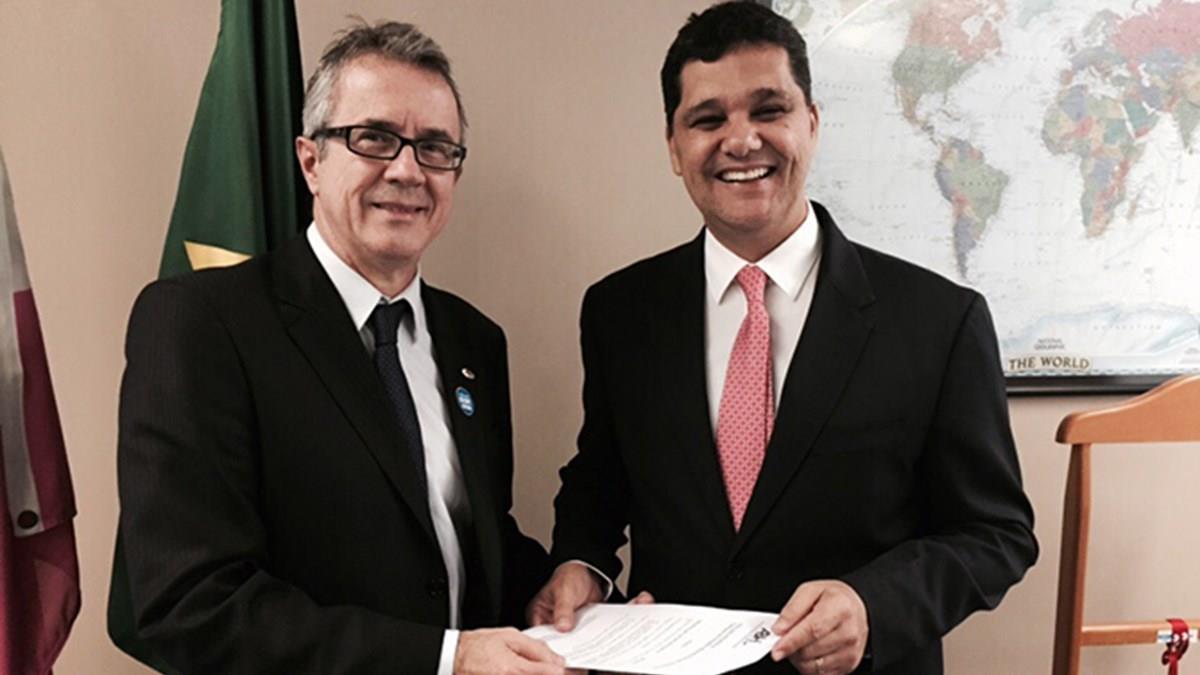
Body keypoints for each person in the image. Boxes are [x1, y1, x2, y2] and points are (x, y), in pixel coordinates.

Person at [529, 3, 1038, 674]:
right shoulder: (620, 311)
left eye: (769, 110)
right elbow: (600, 480)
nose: (741, 141)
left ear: (812, 123)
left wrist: (873, 605)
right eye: (708, 119)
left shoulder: (940, 320)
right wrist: (580, 562)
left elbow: (995, 533)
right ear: (674, 147)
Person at [115, 21, 569, 675]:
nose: (408, 170)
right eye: (374, 138)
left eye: (435, 147)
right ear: (311, 161)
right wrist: (445, 657)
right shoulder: (203, 323)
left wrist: (572, 594)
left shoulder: (474, 339)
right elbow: (191, 605)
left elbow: (464, 538)